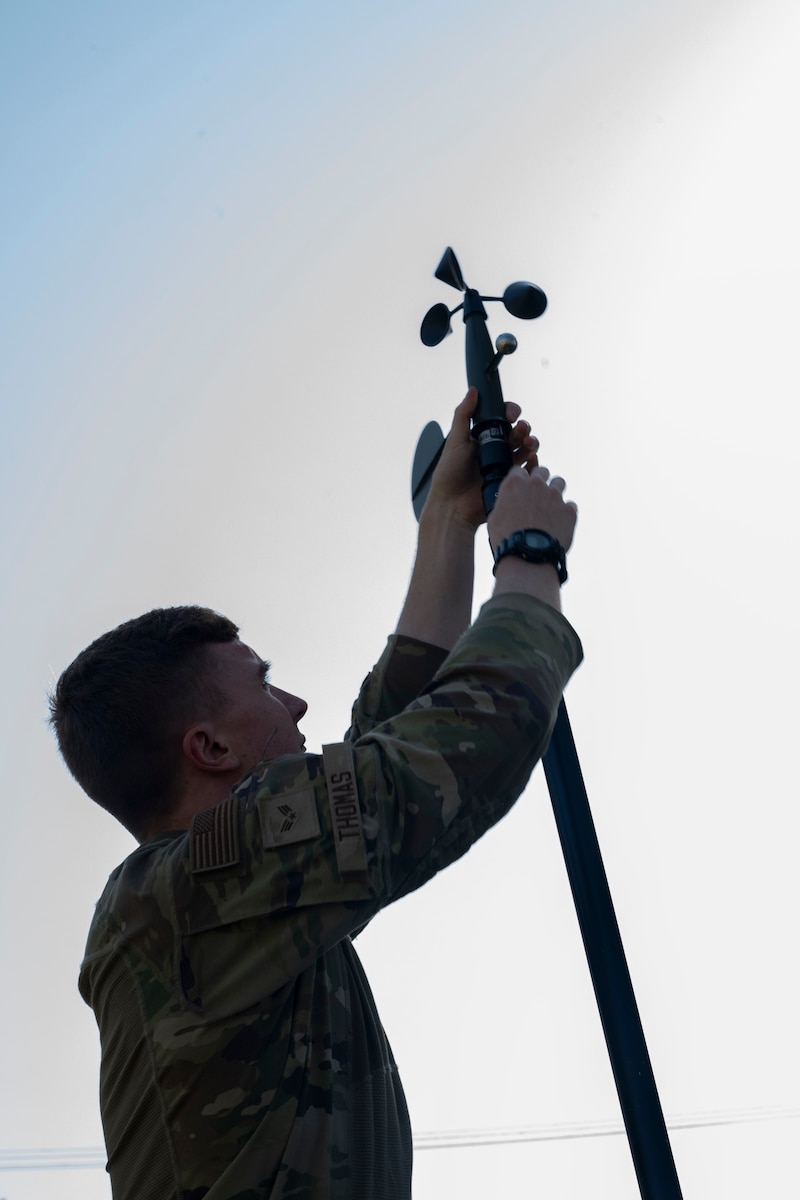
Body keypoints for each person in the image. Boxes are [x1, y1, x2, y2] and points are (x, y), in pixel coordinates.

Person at [50, 387, 582, 1200]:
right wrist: (530, 551)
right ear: (211, 747)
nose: (295, 705)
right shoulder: (177, 898)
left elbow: (384, 748)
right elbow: (447, 759)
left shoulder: (230, 897)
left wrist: (448, 521)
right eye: (265, 686)